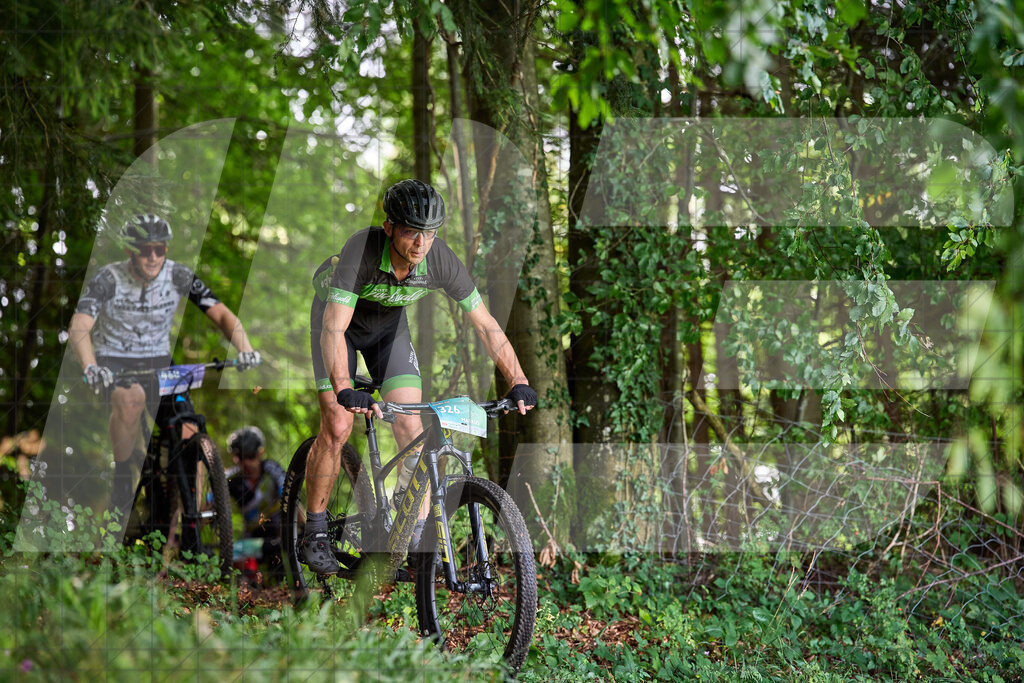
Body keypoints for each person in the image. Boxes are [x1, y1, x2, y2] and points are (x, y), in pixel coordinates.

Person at [302, 179, 537, 575]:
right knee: (338, 425)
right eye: (411, 231)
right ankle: (315, 530)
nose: (421, 243)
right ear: (389, 227)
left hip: (388, 332)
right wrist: (344, 387)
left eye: (429, 232)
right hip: (337, 326)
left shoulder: (440, 260)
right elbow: (333, 328)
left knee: (412, 427)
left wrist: (518, 379)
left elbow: (485, 324)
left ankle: (408, 532)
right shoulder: (362, 250)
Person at [68, 214, 261, 521]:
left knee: (189, 427)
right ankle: (123, 476)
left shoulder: (177, 275)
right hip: (115, 361)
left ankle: (187, 517)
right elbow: (80, 325)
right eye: (146, 250)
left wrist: (245, 348)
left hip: (159, 361)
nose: (153, 257)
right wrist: (90, 366)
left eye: (160, 249)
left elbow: (222, 315)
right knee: (130, 400)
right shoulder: (109, 278)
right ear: (130, 250)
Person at [225, 426, 285, 582]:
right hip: (252, 540)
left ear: (261, 453)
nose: (246, 463)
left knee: (284, 550)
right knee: (231, 554)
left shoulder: (272, 469)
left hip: (279, 536)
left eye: (250, 456)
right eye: (240, 457)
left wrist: (305, 526)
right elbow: (208, 507)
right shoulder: (230, 478)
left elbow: (291, 498)